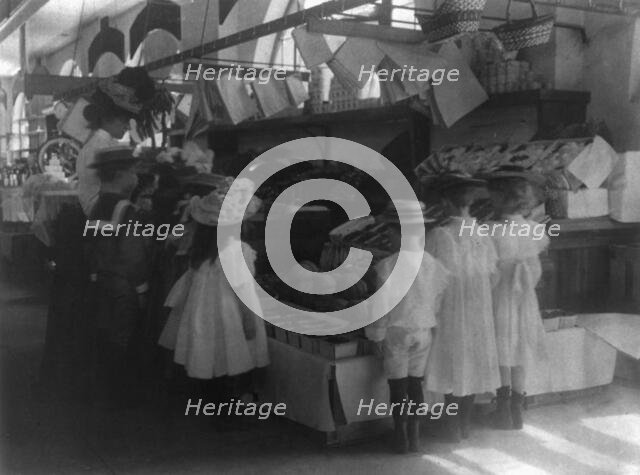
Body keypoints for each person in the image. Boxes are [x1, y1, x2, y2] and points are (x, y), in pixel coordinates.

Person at [158, 178, 268, 393]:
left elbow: (189, 281)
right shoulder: (238, 250)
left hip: (202, 309)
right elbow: (242, 289)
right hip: (230, 311)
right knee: (233, 354)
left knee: (208, 353)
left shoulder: (200, 250)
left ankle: (214, 406)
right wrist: (248, 319)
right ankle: (228, 410)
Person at [365, 200, 449, 454]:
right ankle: (415, 435)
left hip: (396, 331)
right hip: (423, 331)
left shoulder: (387, 266)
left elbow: (382, 305)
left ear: (397, 233)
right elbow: (437, 299)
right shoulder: (434, 265)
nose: (388, 237)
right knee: (416, 384)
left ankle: (400, 434)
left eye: (389, 232)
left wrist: (376, 334)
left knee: (397, 386)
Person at [425, 173, 501, 442]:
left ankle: (453, 423)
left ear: (446, 203)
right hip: (478, 306)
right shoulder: (482, 233)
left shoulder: (439, 235)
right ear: (469, 204)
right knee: (472, 358)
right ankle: (464, 423)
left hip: (451, 307)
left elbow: (432, 278)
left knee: (452, 358)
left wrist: (431, 309)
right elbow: (493, 275)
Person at [87, 146, 151, 406]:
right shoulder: (125, 209)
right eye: (133, 172)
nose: (136, 178)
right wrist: (142, 288)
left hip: (101, 281)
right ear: (121, 175)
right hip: (124, 285)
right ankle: (122, 396)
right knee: (124, 337)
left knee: (106, 334)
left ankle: (105, 392)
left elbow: (90, 245)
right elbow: (132, 253)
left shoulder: (95, 204)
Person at [487, 166, 549, 430]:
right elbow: (535, 270)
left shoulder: (490, 230)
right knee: (520, 350)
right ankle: (517, 409)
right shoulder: (535, 230)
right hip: (526, 299)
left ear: (501, 198)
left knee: (503, 351)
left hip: (500, 296)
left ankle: (503, 409)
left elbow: (489, 272)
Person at [77, 67, 160, 216]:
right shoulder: (102, 148)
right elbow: (124, 183)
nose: (128, 126)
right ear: (109, 118)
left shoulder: (100, 144)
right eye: (124, 121)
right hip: (107, 214)